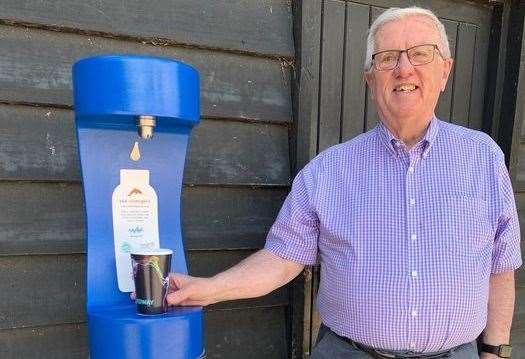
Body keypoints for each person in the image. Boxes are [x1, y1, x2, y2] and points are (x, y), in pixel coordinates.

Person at [165, 7, 521, 359]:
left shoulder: (483, 158)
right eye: (387, 58)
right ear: (370, 79)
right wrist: (211, 289)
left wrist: (494, 351)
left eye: (420, 54)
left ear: (445, 70)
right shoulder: (328, 171)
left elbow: (500, 266)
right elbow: (281, 259)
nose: (404, 68)